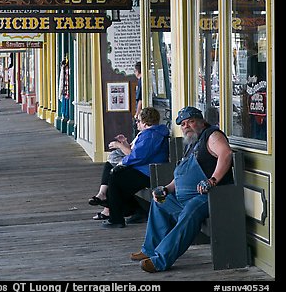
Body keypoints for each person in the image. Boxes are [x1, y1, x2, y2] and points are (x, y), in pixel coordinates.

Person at [130, 106, 233, 272]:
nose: (186, 126)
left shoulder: (212, 135)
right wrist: (166, 189)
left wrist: (212, 180)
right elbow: (182, 175)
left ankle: (160, 260)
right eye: (183, 124)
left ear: (201, 121)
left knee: (190, 211)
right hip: (185, 196)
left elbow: (226, 154)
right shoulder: (192, 143)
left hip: (210, 196)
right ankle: (149, 250)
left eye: (191, 121)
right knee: (160, 202)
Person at [101, 107, 170, 228]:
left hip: (149, 172)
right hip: (148, 169)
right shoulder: (153, 133)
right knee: (116, 176)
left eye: (138, 121)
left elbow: (137, 157)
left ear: (145, 122)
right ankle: (137, 211)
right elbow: (138, 154)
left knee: (115, 179)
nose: (137, 123)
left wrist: (122, 162)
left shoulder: (150, 135)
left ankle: (116, 218)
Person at [88, 134, 130, 220]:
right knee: (111, 169)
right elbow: (131, 150)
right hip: (134, 162)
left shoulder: (147, 136)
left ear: (145, 124)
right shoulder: (142, 135)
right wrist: (124, 142)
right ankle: (104, 199)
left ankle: (104, 200)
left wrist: (119, 145)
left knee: (113, 174)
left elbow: (133, 154)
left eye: (138, 121)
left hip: (141, 166)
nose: (137, 123)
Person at [133, 61, 142, 138]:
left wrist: (137, 114)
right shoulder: (143, 80)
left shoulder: (141, 81)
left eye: (135, 71)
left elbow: (140, 99)